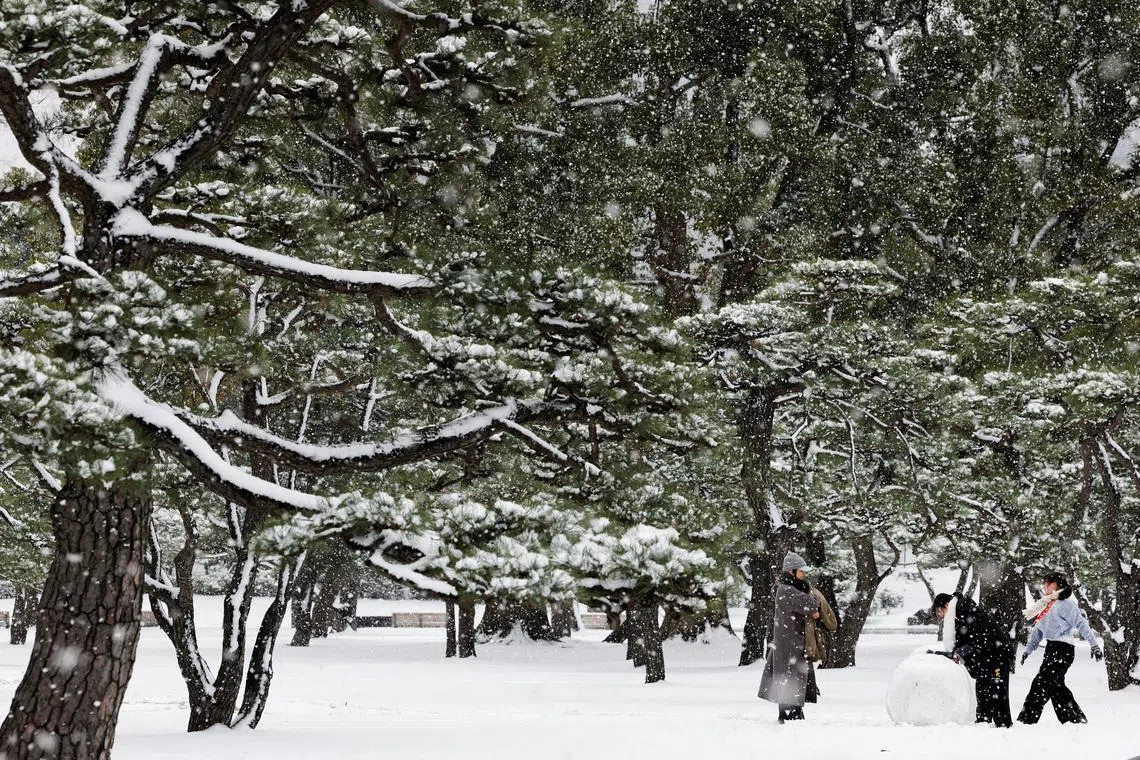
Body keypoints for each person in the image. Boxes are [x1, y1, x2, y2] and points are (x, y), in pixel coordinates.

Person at [1016, 571, 1102, 724]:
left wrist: (1094, 645)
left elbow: (1081, 624)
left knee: (1041, 684)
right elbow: (1038, 630)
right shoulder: (1047, 605)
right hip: (1051, 649)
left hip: (1063, 649)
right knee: (1056, 687)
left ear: (1054, 584)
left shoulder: (1066, 604)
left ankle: (1026, 720)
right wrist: (1028, 650)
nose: (1044, 586)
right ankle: (1075, 719)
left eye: (1046, 583)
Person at [931, 591, 1015, 727]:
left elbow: (978, 637)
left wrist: (961, 651)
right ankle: (983, 720)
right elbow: (963, 639)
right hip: (986, 655)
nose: (941, 616)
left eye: (940, 611)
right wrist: (953, 652)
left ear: (946, 605)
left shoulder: (966, 610)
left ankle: (1003, 723)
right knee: (982, 686)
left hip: (997, 653)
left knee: (997, 687)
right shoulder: (959, 612)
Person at [758, 552, 823, 723]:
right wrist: (813, 598)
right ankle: (790, 720)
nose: (804, 574)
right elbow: (812, 603)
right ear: (791, 572)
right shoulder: (786, 590)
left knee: (792, 684)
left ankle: (794, 716)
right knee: (789, 684)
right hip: (789, 647)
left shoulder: (790, 589)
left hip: (792, 645)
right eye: (801, 571)